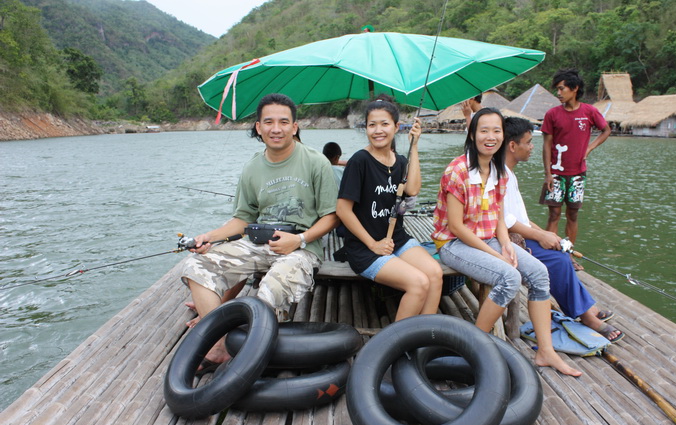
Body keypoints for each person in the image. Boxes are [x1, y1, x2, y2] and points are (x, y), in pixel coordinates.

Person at [181, 93, 339, 367]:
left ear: (294, 127)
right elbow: (242, 219)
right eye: (268, 122)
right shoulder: (252, 168)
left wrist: (299, 239)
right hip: (260, 242)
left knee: (268, 292)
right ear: (258, 127)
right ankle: (219, 345)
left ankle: (255, 355)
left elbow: (332, 216)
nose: (275, 129)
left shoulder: (316, 162)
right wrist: (209, 237)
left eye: (283, 122)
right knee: (196, 266)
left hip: (301, 247)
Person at [432, 107, 581, 376]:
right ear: (472, 133)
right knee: (509, 277)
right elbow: (455, 226)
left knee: (539, 272)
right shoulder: (458, 171)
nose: (490, 136)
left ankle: (545, 351)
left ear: (503, 136)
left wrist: (506, 244)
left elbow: (498, 215)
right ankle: (474, 347)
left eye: (496, 130)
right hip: (454, 244)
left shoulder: (500, 170)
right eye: (484, 130)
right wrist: (498, 257)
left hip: (489, 238)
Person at [504, 116, 624, 342]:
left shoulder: (509, 174)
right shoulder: (500, 174)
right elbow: (506, 221)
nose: (532, 148)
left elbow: (520, 217)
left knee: (560, 251)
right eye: (528, 142)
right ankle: (586, 316)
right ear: (512, 146)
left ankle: (586, 309)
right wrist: (540, 235)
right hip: (507, 240)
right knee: (557, 260)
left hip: (518, 233)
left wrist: (547, 234)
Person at [336, 96, 442, 321]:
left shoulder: (400, 161)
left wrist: (414, 146)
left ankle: (424, 339)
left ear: (396, 127)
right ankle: (395, 347)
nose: (378, 130)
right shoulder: (359, 162)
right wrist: (372, 243)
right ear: (365, 128)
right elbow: (343, 210)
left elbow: (412, 189)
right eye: (372, 125)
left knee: (434, 274)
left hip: (396, 239)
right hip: (365, 248)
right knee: (418, 283)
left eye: (384, 124)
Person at [540, 68, 611, 270]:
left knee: (573, 215)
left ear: (575, 88)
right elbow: (546, 145)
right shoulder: (552, 114)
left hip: (578, 174)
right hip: (556, 173)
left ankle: (568, 255)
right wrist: (548, 174)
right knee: (553, 214)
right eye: (557, 89)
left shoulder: (589, 112)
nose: (558, 93)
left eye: (562, 89)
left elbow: (606, 130)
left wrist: (590, 147)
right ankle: (549, 255)